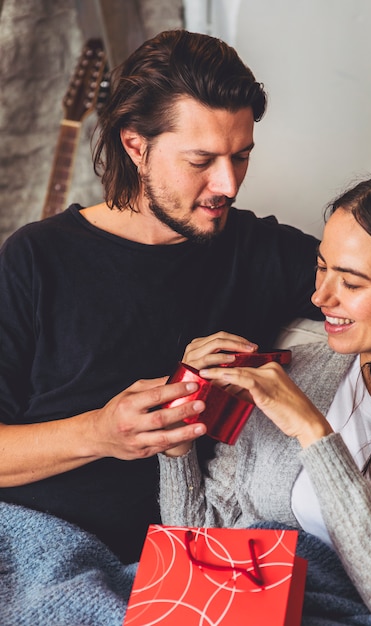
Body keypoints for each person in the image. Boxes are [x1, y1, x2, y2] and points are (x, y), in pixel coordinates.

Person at [0, 29, 321, 564]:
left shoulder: (260, 251)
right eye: (201, 161)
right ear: (135, 145)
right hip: (33, 539)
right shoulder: (36, 258)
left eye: (241, 156)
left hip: (190, 558)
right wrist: (100, 433)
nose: (229, 184)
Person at [158, 168, 371, 617]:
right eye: (321, 267)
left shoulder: (293, 403)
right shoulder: (295, 374)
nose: (321, 297)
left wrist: (313, 433)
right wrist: (178, 443)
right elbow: (195, 548)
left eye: (351, 283)